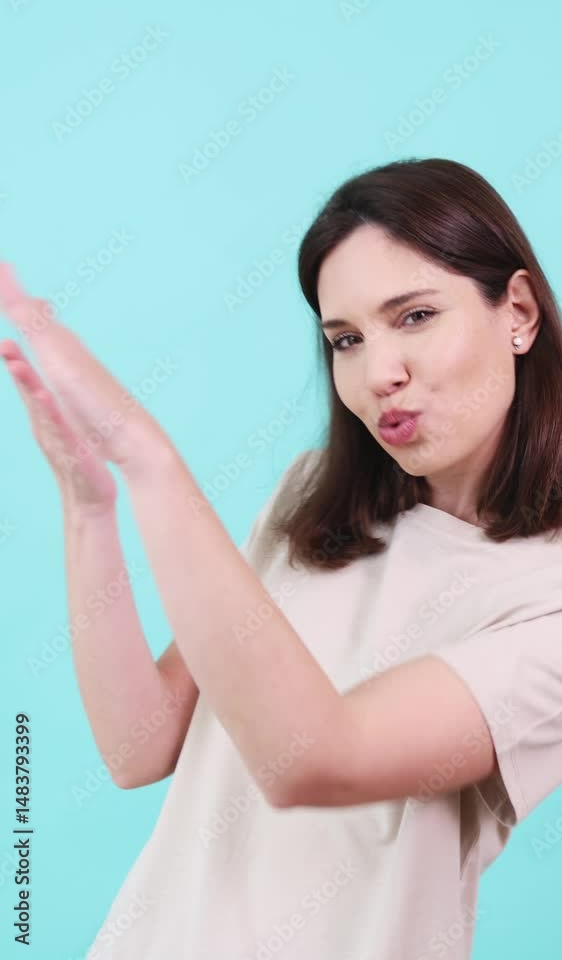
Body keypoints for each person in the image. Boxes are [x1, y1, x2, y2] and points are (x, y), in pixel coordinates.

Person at [1, 156, 562, 960]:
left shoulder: (548, 598)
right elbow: (138, 746)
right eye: (346, 340)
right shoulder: (312, 501)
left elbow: (318, 759)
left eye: (414, 317)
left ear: (519, 312)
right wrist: (90, 509)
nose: (379, 374)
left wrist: (149, 460)